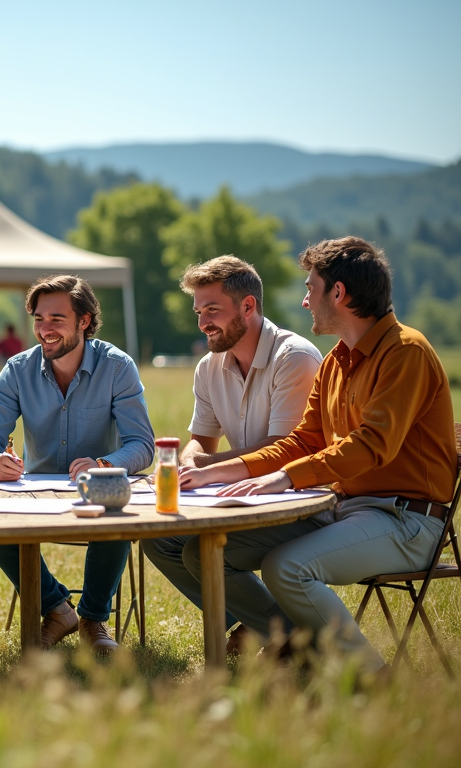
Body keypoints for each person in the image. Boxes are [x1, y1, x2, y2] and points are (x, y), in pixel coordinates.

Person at [179, 237, 456, 673]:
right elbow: (304, 441)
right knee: (206, 554)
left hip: (408, 521)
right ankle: (295, 648)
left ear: (339, 293)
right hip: (348, 511)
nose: (305, 301)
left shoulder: (407, 351)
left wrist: (285, 478)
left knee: (286, 567)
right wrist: (216, 472)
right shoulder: (335, 363)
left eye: (311, 288)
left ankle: (373, 679)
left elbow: (371, 444)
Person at [140, 256, 322, 652]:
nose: (203, 321)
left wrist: (206, 467)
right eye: (199, 311)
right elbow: (200, 442)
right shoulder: (209, 366)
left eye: (212, 310)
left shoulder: (294, 357)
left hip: (303, 503)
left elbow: (284, 452)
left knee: (198, 551)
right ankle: (260, 623)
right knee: (157, 541)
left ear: (248, 307)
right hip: (247, 499)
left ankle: (288, 638)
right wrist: (186, 462)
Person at [0, 275, 155, 654]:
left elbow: (143, 445)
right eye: (39, 319)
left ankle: (93, 619)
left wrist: (103, 463)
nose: (45, 329)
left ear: (84, 321)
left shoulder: (118, 367)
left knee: (115, 508)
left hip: (98, 490)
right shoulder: (17, 370)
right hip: (34, 492)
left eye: (56, 319)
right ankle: (57, 609)